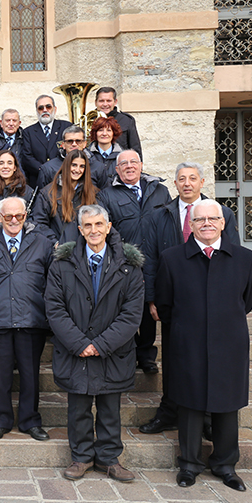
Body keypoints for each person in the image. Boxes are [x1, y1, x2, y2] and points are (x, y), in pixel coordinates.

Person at [155, 199, 252, 491]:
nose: (207, 224)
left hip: (230, 343)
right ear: (191, 225)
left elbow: (245, 302)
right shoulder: (172, 258)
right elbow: (165, 304)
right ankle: (189, 464)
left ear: (223, 223)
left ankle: (225, 465)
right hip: (188, 342)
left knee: (227, 405)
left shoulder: (245, 258)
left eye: (213, 219)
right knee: (189, 405)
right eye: (200, 220)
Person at [46, 204, 144, 482]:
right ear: (80, 230)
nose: (93, 230)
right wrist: (80, 343)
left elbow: (132, 313)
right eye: (87, 226)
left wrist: (101, 344)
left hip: (113, 350)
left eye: (99, 224)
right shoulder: (62, 264)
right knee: (78, 407)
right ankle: (81, 457)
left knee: (110, 409)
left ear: (109, 226)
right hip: (74, 349)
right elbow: (54, 308)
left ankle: (110, 459)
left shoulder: (128, 266)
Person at [140, 162, 240, 435]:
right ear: (175, 184)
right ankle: (170, 410)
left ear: (202, 182)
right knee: (175, 360)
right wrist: (151, 299)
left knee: (210, 361)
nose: (187, 183)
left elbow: (236, 257)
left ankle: (207, 417)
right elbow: (149, 260)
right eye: (181, 179)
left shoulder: (222, 214)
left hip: (214, 304)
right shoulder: (158, 216)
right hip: (173, 303)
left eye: (192, 178)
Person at [0, 197, 53, 441]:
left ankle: (30, 421)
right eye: (8, 216)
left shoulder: (43, 243)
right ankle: (0, 421)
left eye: (19, 215)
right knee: (1, 376)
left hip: (31, 320)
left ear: (26, 215)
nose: (14, 220)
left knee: (30, 375)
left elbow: (52, 284)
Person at [96, 150, 170, 373]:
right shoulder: (107, 195)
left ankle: (146, 356)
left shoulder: (160, 191)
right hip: (123, 261)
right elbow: (105, 229)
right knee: (123, 310)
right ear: (116, 170)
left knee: (149, 309)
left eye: (133, 162)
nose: (129, 166)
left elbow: (168, 223)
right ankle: (126, 355)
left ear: (141, 165)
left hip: (154, 259)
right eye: (123, 164)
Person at [30, 149, 100, 245]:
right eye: (74, 165)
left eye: (82, 166)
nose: (77, 170)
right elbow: (39, 223)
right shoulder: (48, 193)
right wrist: (54, 242)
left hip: (86, 250)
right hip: (59, 250)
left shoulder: (93, 192)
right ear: (66, 166)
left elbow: (101, 221)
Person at [20, 95, 72, 187]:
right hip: (39, 181)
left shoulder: (67, 127)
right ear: (37, 111)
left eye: (48, 106)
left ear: (55, 109)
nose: (45, 110)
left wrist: (58, 171)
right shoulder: (28, 132)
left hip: (65, 179)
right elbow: (27, 157)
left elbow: (73, 151)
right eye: (40, 108)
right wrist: (45, 171)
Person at [36, 125, 106, 191]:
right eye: (70, 141)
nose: (74, 144)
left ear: (85, 144)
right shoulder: (48, 168)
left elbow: (104, 196)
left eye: (78, 141)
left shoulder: (99, 168)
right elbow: (42, 198)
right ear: (63, 145)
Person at [95, 87, 142, 157]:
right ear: (96, 102)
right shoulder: (89, 120)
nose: (105, 104)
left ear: (115, 102)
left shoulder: (127, 120)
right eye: (101, 101)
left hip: (120, 164)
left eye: (109, 101)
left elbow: (135, 149)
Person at [87, 116, 124, 180]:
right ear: (95, 133)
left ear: (113, 133)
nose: (104, 133)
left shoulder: (122, 156)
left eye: (109, 130)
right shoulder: (87, 155)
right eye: (100, 130)